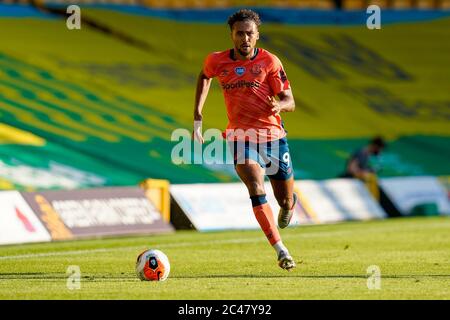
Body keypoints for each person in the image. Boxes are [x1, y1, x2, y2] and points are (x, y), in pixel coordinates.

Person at [193, 9, 297, 270]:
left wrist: (280, 106)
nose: (245, 39)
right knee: (256, 188)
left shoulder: (270, 62)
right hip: (240, 136)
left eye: (249, 33)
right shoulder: (217, 61)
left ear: (257, 35)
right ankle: (280, 249)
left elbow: (290, 100)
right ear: (232, 35)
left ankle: (288, 205)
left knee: (284, 199)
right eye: (240, 33)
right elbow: (205, 76)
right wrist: (197, 115)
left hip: (273, 137)